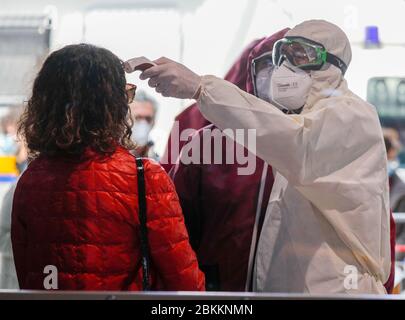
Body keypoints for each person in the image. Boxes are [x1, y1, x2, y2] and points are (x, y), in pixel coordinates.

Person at [139, 20, 391, 294]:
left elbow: (297, 145)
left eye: (301, 55)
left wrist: (201, 88)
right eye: (279, 56)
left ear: (333, 64)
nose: (283, 68)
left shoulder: (351, 116)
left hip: (340, 290)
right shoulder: (290, 127)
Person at [11, 44, 204, 291]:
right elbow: (184, 283)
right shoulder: (144, 178)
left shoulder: (31, 180)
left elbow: (29, 277)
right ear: (113, 105)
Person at [167, 31, 287, 291]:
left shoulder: (320, 141)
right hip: (218, 288)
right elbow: (176, 225)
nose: (278, 74)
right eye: (268, 64)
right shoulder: (205, 139)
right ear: (250, 72)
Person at [129, 90, 160, 160]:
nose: (143, 124)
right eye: (138, 118)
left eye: (148, 119)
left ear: (154, 122)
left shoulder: (157, 161)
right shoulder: (110, 157)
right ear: (126, 120)